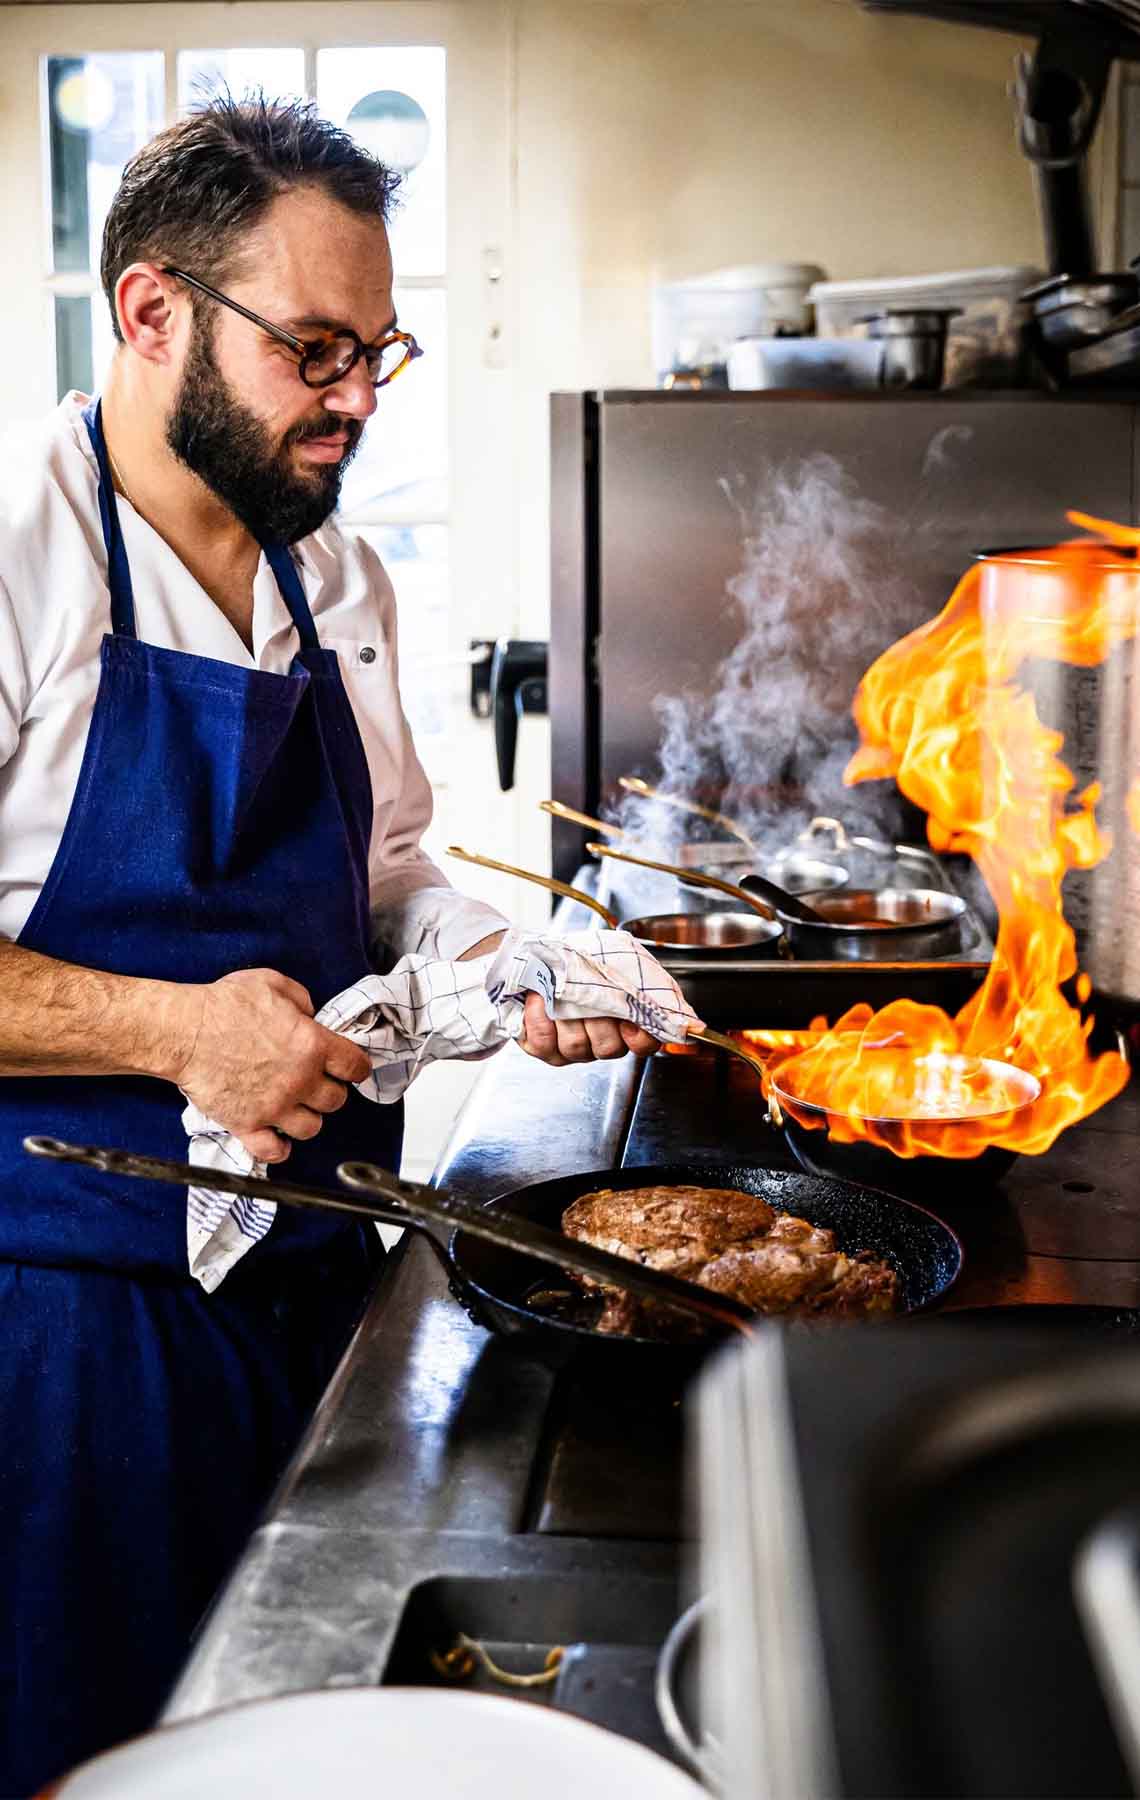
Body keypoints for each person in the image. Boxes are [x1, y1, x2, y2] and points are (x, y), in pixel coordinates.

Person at [0, 95, 661, 1795]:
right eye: (313, 350)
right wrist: (173, 1032)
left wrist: (503, 957)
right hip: (57, 1333)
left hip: (314, 1288)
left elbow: (387, 874)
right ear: (152, 311)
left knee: (290, 1738)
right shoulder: (15, 556)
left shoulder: (338, 577)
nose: (358, 399)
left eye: (378, 352)